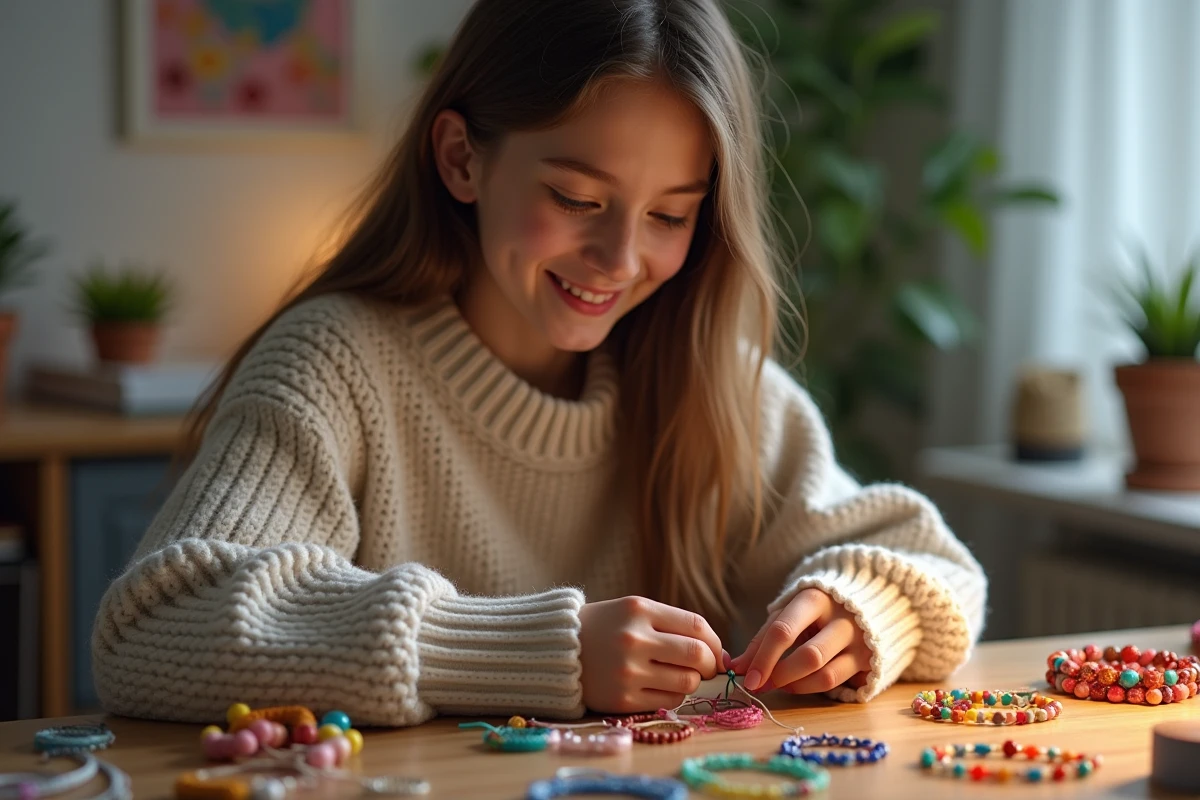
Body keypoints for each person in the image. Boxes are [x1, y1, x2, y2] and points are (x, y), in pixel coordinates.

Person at [92, 0, 986, 726]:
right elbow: (156, 629)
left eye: (670, 215)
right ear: (461, 159)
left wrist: (862, 612)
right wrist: (543, 651)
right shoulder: (332, 363)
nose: (619, 258)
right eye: (575, 197)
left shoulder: (710, 378)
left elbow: (935, 566)